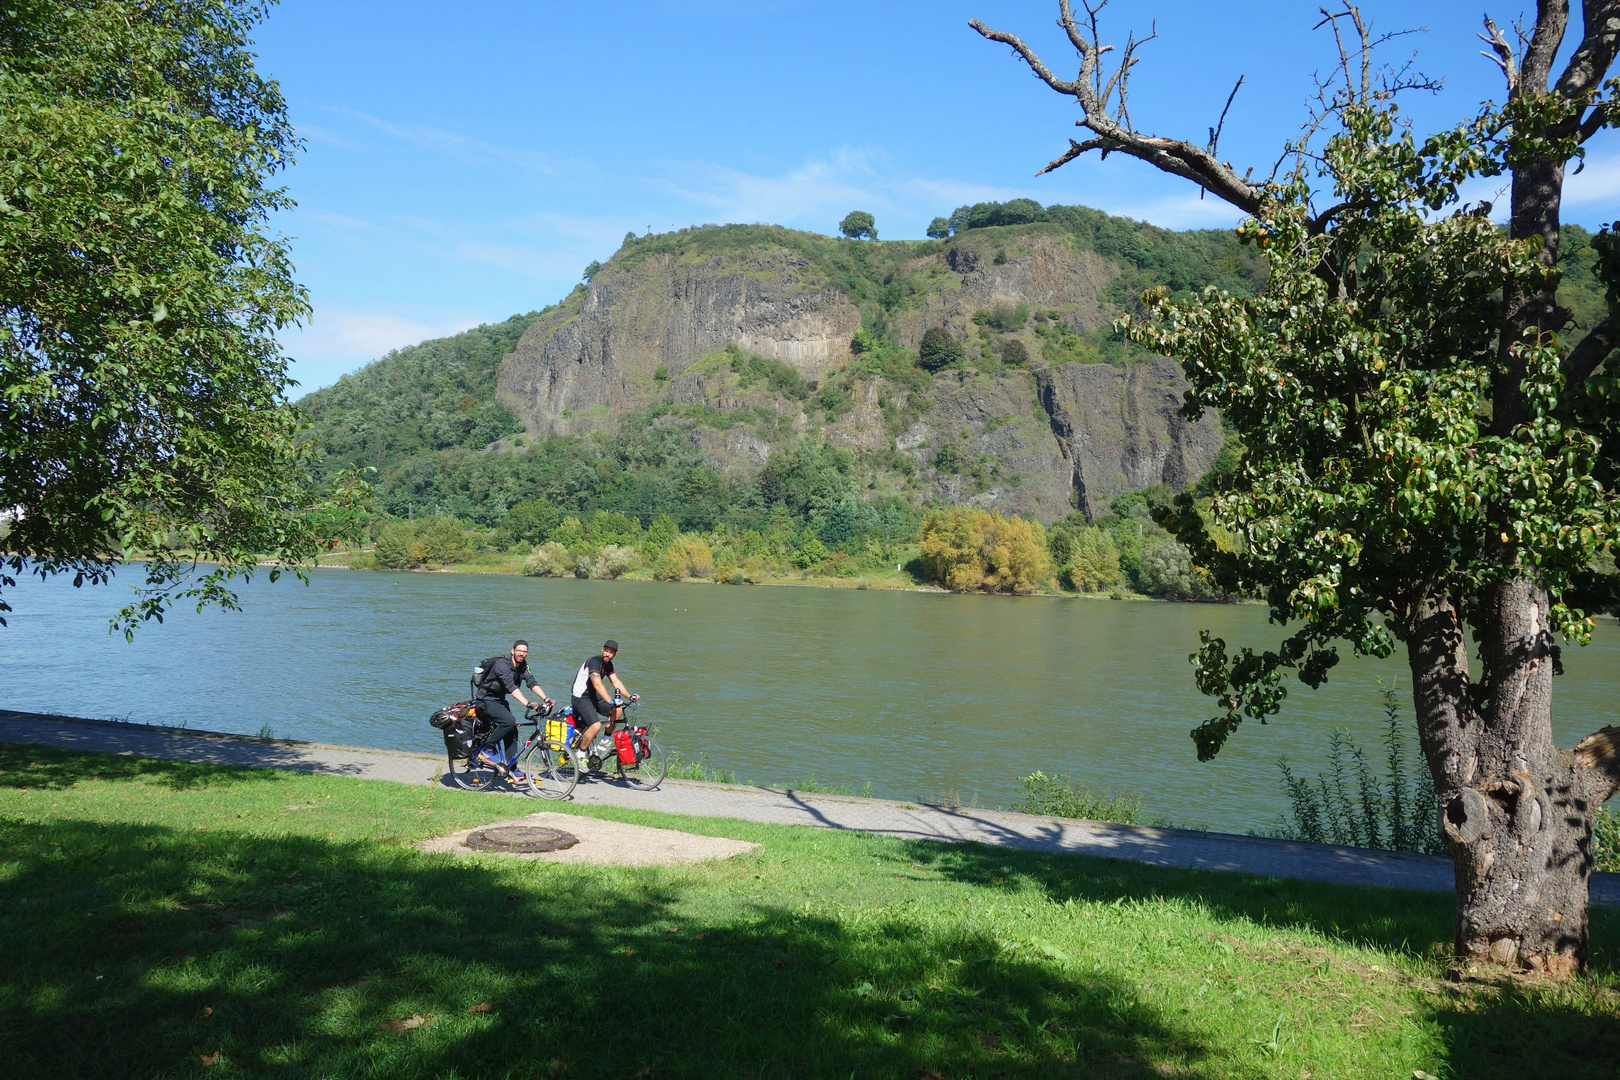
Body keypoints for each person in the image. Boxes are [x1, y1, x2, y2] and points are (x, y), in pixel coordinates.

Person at [474, 640, 553, 779]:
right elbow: (511, 687)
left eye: (524, 651)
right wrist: (527, 703)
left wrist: (546, 699)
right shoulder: (502, 665)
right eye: (519, 650)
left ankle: (512, 768)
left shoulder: (523, 666)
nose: (521, 654)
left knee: (512, 730)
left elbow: (531, 682)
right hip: (485, 700)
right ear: (513, 651)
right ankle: (487, 750)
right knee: (509, 721)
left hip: (499, 700)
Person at [569, 639, 636, 774]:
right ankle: (580, 755)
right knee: (595, 725)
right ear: (602, 650)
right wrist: (611, 700)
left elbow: (615, 681)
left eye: (611, 652)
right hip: (581, 697)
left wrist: (629, 696)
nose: (607, 654)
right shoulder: (594, 662)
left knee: (618, 709)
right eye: (606, 650)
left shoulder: (608, 665)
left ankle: (604, 740)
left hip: (593, 696)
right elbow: (597, 684)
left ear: (615, 654)